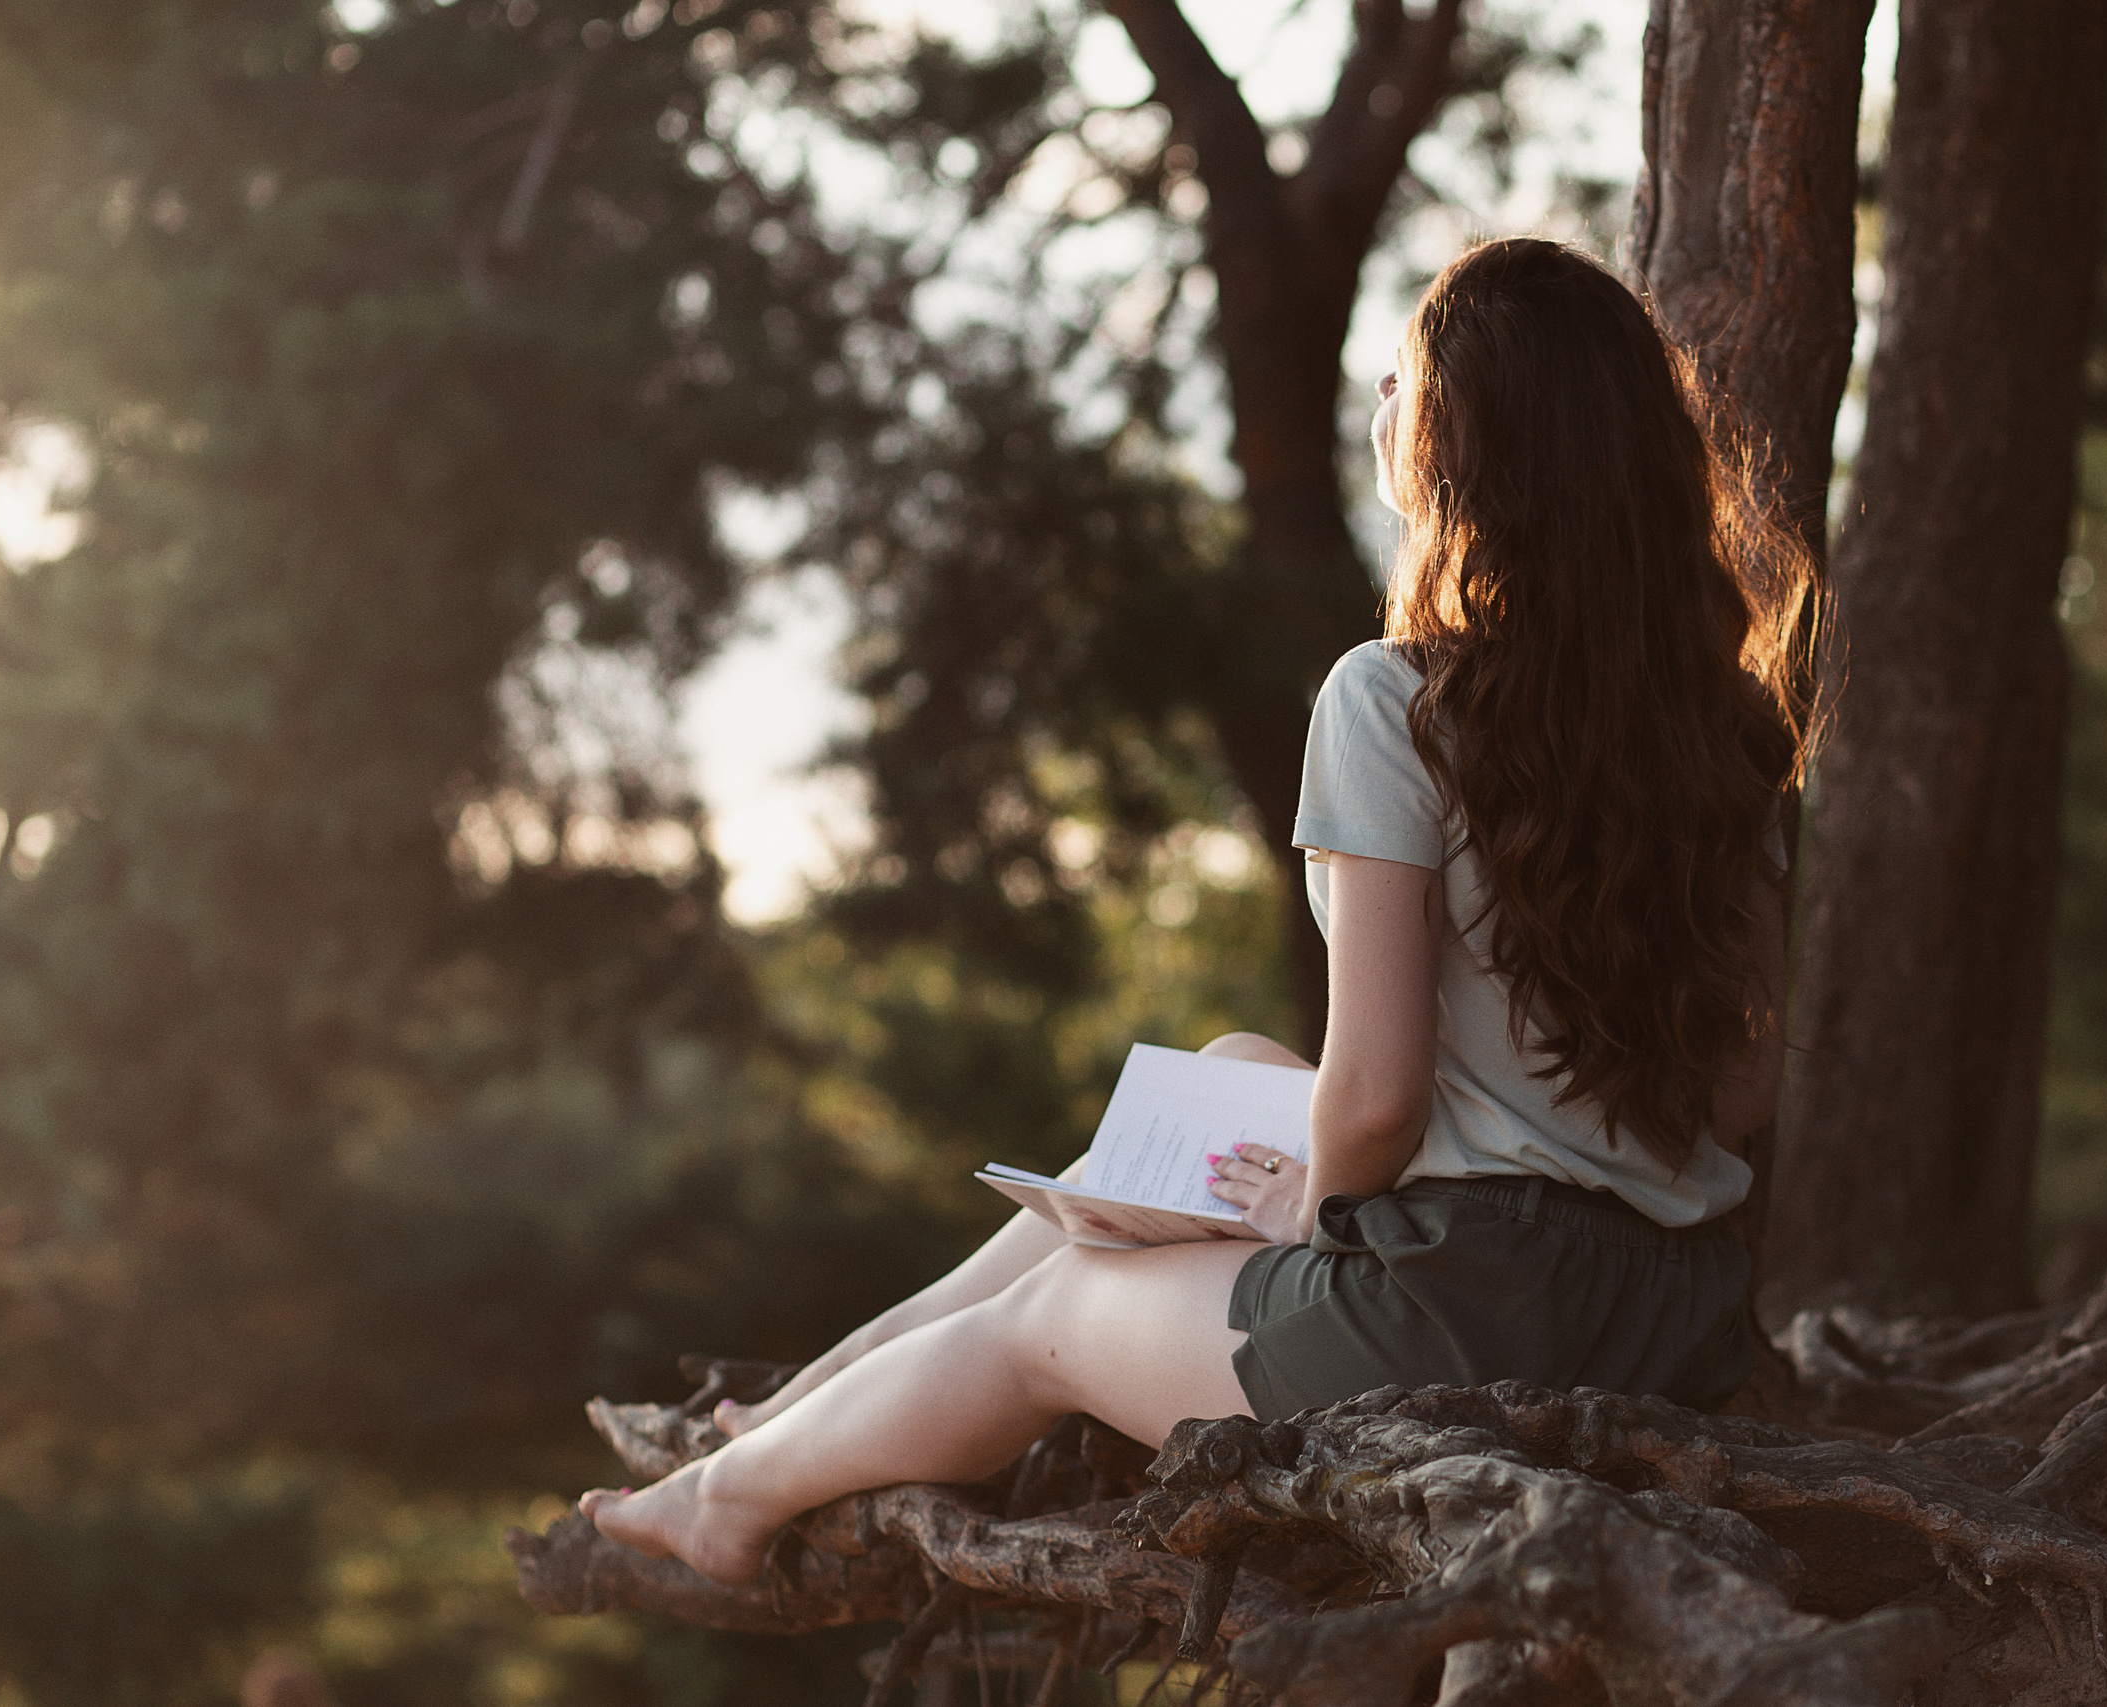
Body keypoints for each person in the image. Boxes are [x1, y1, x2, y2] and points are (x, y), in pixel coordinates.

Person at [581, 237, 1821, 1586]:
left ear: (1462, 451)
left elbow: (1377, 1107)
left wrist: (1315, 1214)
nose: (1381, 413)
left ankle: (732, 1501)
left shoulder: (1393, 703)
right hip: (1676, 1304)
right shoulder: (1729, 727)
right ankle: (798, 1404)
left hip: (1472, 1310)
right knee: (1221, 1083)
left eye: (1402, 385)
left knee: (1052, 1314)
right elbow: (1745, 1087)